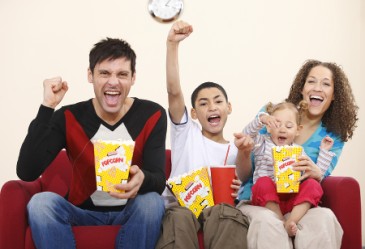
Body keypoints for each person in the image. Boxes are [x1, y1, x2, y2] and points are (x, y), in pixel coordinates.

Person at [16, 37, 167, 249]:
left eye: (122, 74)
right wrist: (47, 107)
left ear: (133, 78)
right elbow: (26, 171)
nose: (113, 82)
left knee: (152, 202)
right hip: (80, 212)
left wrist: (143, 179)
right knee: (40, 204)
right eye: (104, 73)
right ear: (90, 75)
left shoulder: (152, 114)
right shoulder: (68, 116)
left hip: (131, 212)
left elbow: (159, 179)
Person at [235, 59, 358, 249]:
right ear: (302, 88)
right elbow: (244, 174)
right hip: (261, 199)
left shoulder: (333, 135)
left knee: (325, 218)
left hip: (296, 203)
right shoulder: (272, 115)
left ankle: (290, 220)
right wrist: (245, 150)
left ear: (334, 95)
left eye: (325, 84)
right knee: (268, 223)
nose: (317, 88)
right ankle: (280, 220)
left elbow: (320, 177)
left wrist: (317, 173)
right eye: (311, 81)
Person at [156, 21, 249, 249]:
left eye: (218, 102)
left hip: (219, 211)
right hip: (180, 208)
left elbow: (245, 179)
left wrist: (242, 178)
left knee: (226, 212)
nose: (212, 107)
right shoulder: (186, 133)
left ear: (229, 107)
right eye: (204, 104)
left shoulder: (237, 148)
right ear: (195, 113)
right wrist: (172, 45)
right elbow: (174, 91)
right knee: (180, 217)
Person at [243, 100, 335, 237]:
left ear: (298, 130)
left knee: (313, 184)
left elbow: (315, 173)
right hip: (268, 200)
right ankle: (280, 221)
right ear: (269, 127)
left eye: (289, 126)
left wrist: (324, 151)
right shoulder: (262, 143)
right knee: (263, 182)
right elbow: (246, 135)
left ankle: (291, 221)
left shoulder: (298, 151)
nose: (282, 129)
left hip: (292, 200)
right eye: (277, 124)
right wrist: (262, 119)